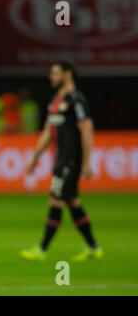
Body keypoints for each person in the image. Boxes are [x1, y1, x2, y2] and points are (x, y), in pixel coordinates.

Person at [20, 61, 103, 262]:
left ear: (67, 74)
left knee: (56, 198)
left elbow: (86, 129)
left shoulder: (76, 99)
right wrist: (34, 158)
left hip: (71, 160)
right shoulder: (56, 100)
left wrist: (86, 162)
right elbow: (48, 131)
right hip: (61, 160)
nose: (51, 76)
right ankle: (93, 247)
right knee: (73, 202)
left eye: (55, 73)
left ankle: (42, 249)